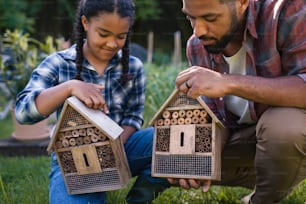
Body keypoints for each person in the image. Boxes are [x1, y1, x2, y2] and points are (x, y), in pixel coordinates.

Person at [14, 0, 169, 203]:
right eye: (103, 34)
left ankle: (138, 198)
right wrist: (69, 87)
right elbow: (23, 112)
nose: (112, 43)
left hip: (122, 147)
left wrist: (111, 149)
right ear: (85, 23)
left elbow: (133, 116)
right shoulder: (59, 63)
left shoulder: (133, 66)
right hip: (75, 158)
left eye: (121, 36)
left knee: (169, 140)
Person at [171, 0, 306, 203]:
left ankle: (262, 199)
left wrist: (228, 83)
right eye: (191, 18)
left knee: (283, 127)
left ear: (242, 3)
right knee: (175, 157)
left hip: (292, 132)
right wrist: (201, 158)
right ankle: (274, 178)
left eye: (210, 18)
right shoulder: (198, 46)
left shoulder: (287, 11)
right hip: (255, 140)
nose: (198, 31)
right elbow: (218, 119)